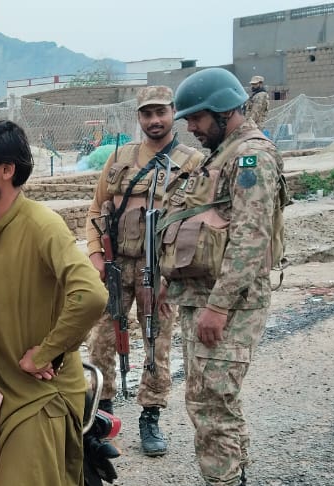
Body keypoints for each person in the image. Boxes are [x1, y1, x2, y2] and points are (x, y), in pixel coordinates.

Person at [0, 120, 107, 486]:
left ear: (6, 170)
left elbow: (91, 294)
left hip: (40, 395)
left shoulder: (42, 224)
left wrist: (47, 352)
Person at [163, 67, 286, 486]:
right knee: (212, 400)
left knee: (212, 402)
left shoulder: (252, 156)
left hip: (228, 303)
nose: (191, 128)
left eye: (197, 119)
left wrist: (217, 306)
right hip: (205, 298)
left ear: (223, 110)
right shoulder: (223, 153)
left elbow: (251, 241)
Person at [85, 85, 206, 458]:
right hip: (116, 264)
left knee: (157, 342)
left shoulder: (192, 162)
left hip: (160, 270)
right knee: (102, 339)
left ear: (173, 113)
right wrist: (95, 255)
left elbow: (198, 224)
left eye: (161, 112)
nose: (154, 120)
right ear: (139, 117)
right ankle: (102, 414)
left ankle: (150, 416)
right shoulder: (120, 157)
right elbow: (97, 208)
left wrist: (175, 273)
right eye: (147, 113)